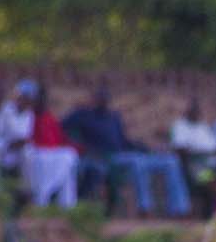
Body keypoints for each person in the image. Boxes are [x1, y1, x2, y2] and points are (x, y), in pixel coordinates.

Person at [63, 83, 191, 217]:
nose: (103, 101)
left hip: (123, 154)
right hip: (106, 157)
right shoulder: (83, 115)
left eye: (106, 98)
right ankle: (145, 207)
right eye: (100, 98)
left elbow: (123, 140)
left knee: (171, 161)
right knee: (137, 162)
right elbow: (63, 127)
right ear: (94, 100)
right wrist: (82, 146)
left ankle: (180, 208)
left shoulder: (113, 117)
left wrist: (143, 147)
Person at [22, 86, 80, 207]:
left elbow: (60, 138)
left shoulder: (49, 117)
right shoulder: (28, 116)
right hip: (36, 154)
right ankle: (41, 200)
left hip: (53, 154)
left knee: (69, 157)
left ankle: (67, 205)